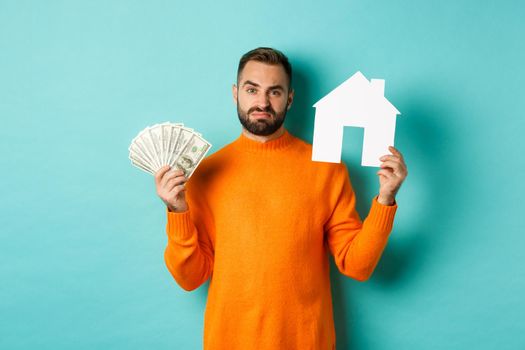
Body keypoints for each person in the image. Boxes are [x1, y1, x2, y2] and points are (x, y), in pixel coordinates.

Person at [155, 47, 408, 349]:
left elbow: (357, 266)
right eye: (252, 90)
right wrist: (177, 210)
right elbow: (190, 278)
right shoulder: (204, 173)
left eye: (274, 92)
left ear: (289, 99)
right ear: (235, 93)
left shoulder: (328, 169)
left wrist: (385, 200)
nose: (262, 102)